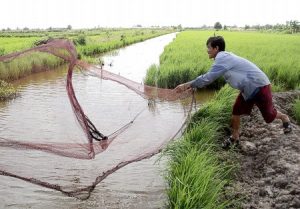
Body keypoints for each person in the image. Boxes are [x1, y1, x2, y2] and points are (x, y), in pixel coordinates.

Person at [174, 36, 292, 149]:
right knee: (236, 110)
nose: (207, 51)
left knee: (269, 117)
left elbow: (208, 78)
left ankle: (285, 118)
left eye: (209, 47)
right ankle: (235, 138)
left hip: (259, 86)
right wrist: (195, 85)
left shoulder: (222, 58)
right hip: (247, 88)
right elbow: (208, 78)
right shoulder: (223, 58)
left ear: (216, 48)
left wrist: (186, 85)